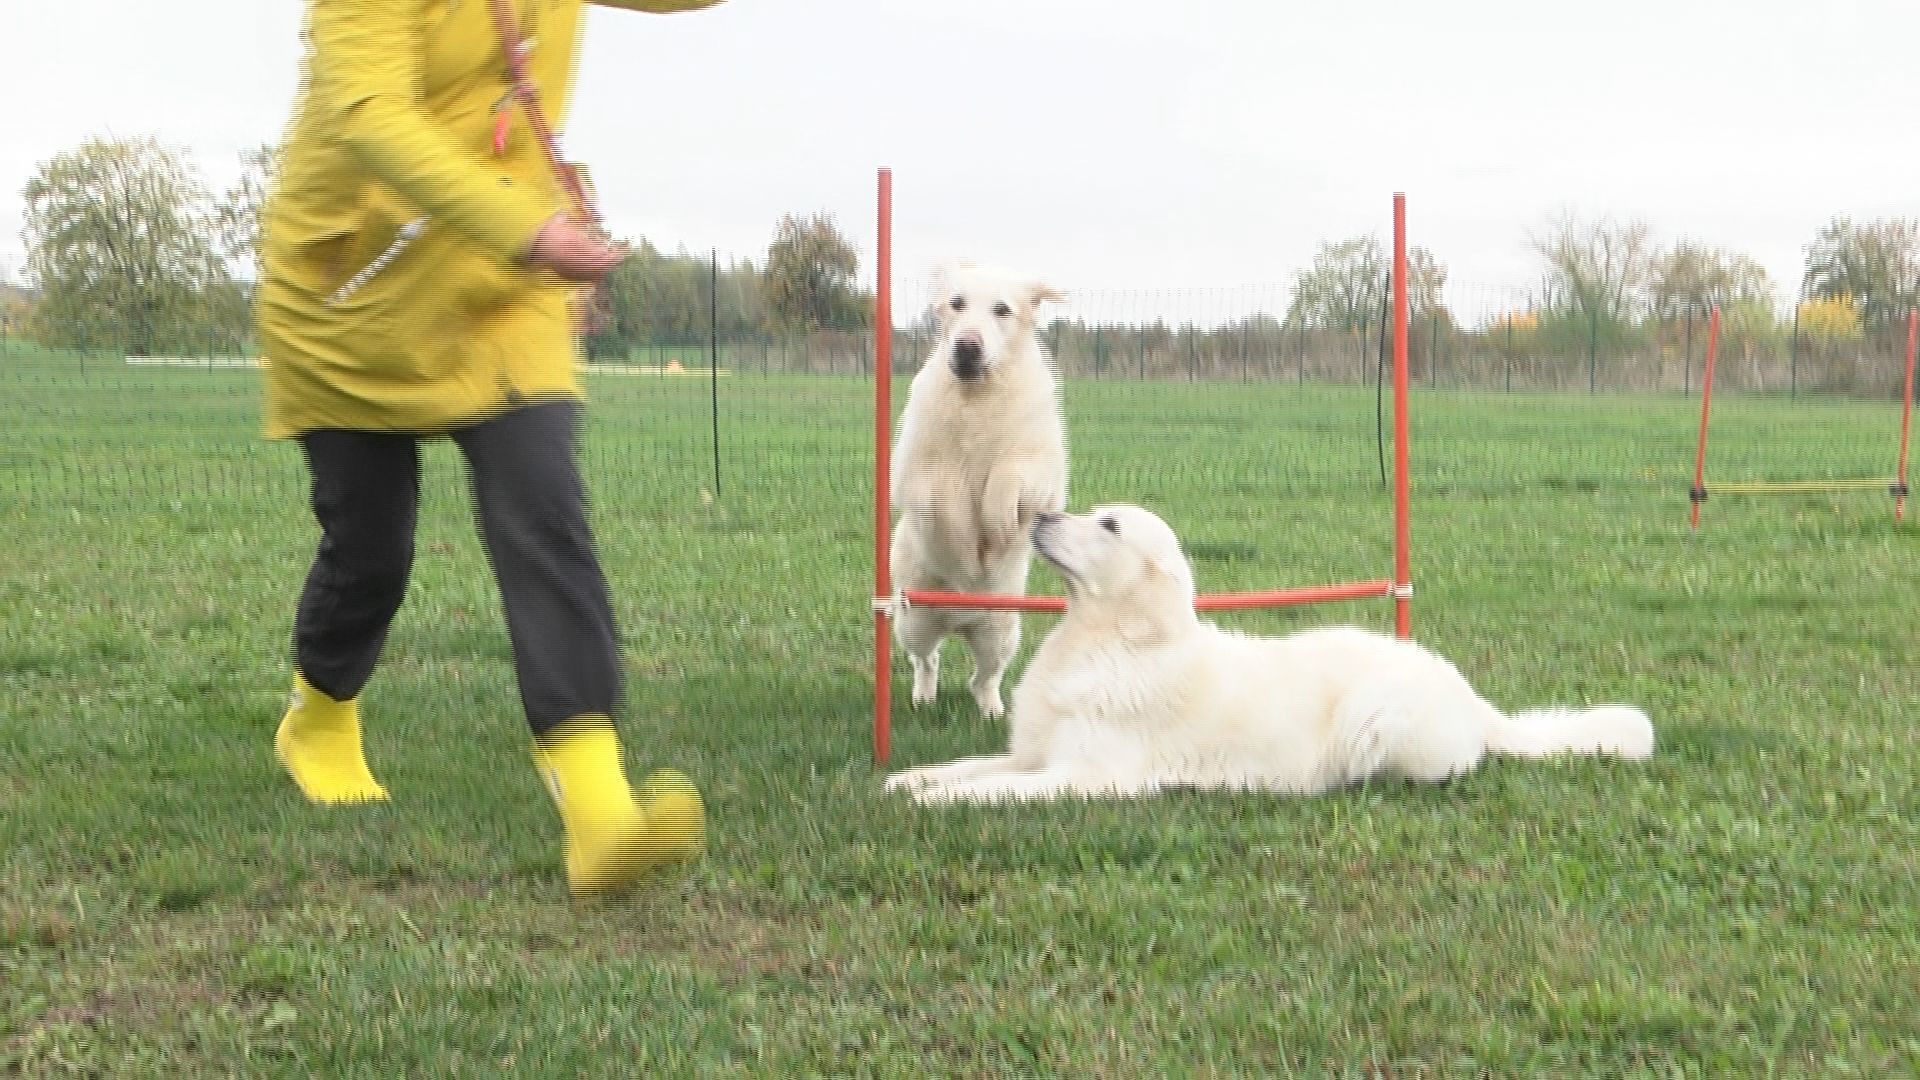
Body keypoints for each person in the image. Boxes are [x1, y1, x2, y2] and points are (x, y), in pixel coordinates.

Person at [255, 0, 727, 897]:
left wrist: (528, 237)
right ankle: (318, 717)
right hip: (353, 288)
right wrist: (533, 230)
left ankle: (599, 815)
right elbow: (371, 115)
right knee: (370, 551)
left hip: (499, 285)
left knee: (543, 509)